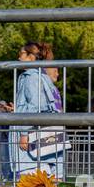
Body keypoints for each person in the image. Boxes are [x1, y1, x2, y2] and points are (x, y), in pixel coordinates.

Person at [13, 41, 65, 179]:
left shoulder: (31, 77)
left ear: (31, 57)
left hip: (32, 137)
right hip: (44, 137)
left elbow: (35, 106)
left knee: (30, 182)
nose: (18, 58)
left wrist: (24, 132)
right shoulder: (42, 77)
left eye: (21, 54)